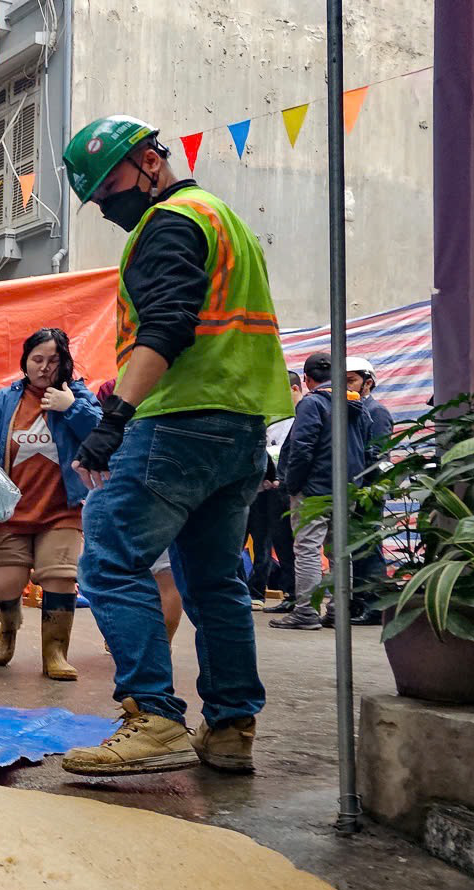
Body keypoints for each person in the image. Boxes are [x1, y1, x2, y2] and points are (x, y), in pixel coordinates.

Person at [58, 115, 293, 775]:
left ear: (151, 163)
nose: (108, 207)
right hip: (241, 426)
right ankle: (229, 728)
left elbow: (167, 324)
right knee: (215, 582)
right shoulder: (224, 220)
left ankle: (153, 716)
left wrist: (113, 419)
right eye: (99, 200)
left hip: (178, 420)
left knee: (109, 557)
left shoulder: (169, 225)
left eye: (110, 190)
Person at [0, 328, 102, 681]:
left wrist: (71, 407)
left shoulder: (77, 395)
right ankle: (8, 627)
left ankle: (55, 652)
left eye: (53, 361)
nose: (44, 368)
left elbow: (104, 433)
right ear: (25, 361)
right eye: (37, 360)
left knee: (60, 578)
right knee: (4, 584)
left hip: (61, 509)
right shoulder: (3, 399)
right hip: (8, 509)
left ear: (65, 363)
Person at [272, 352, 375, 630]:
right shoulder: (358, 405)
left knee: (307, 549)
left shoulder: (313, 403)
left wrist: (293, 484)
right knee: (341, 552)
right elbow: (367, 448)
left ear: (306, 380)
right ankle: (338, 611)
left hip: (314, 490)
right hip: (348, 489)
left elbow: (302, 447)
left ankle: (305, 612)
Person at [93, 377, 181, 642]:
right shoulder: (180, 384)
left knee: (118, 571)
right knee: (166, 575)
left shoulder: (112, 387)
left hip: (124, 483)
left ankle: (126, 641)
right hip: (170, 481)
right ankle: (161, 646)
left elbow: (99, 433)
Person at [334, 355, 394, 626]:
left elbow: (377, 454)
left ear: (368, 382)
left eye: (351, 381)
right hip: (352, 488)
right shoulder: (351, 411)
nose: (345, 386)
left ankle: (375, 606)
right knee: (356, 548)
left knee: (368, 547)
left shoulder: (377, 412)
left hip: (368, 489)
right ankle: (361, 602)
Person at [252, 371, 302, 611]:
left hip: (288, 486)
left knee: (291, 543)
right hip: (264, 488)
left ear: (294, 389)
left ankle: (296, 597)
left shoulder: (303, 414)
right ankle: (270, 592)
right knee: (271, 540)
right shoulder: (269, 417)